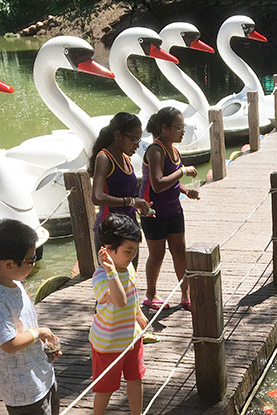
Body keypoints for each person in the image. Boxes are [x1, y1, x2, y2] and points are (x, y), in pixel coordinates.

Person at [0, 218, 62, 415]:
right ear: (8, 264)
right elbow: (10, 344)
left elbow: (23, 326)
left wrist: (45, 346)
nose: (34, 263)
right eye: (31, 259)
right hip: (23, 389)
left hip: (41, 373)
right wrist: (38, 332)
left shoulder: (14, 282)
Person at [139, 107, 199, 311]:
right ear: (164, 128)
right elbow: (157, 184)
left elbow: (171, 181)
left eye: (183, 127)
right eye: (178, 127)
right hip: (153, 210)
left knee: (180, 252)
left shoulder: (174, 148)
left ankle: (186, 295)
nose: (183, 131)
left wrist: (186, 190)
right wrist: (183, 171)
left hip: (173, 208)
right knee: (157, 254)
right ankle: (150, 295)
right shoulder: (155, 150)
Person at [90, 214, 149, 415]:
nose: (132, 256)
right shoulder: (100, 277)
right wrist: (111, 271)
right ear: (107, 249)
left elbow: (131, 296)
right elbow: (119, 300)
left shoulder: (128, 266)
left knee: (135, 377)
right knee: (105, 388)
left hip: (131, 337)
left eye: (135, 250)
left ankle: (137, 413)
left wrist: (138, 313)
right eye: (128, 251)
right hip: (108, 343)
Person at [89, 112, 152, 268]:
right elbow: (97, 197)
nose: (137, 145)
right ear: (118, 135)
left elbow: (127, 194)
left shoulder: (126, 158)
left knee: (129, 278)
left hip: (129, 227)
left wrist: (140, 205)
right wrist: (130, 202)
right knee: (111, 282)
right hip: (110, 230)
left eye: (139, 140)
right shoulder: (104, 157)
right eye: (134, 140)